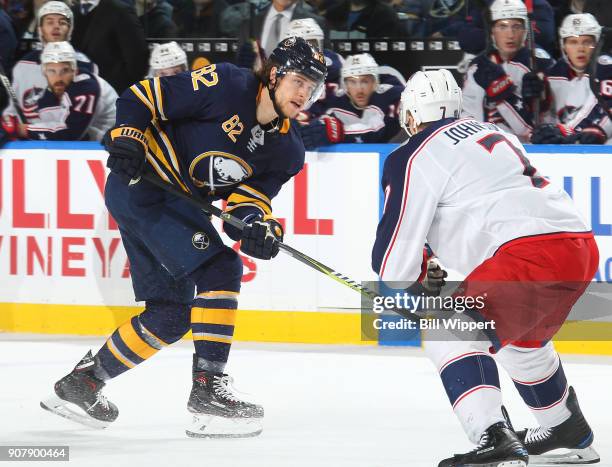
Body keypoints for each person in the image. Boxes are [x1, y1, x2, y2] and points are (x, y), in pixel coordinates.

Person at [40, 37, 327, 438]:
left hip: (171, 204)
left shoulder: (287, 151)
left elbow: (244, 206)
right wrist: (129, 136)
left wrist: (260, 227)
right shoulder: (227, 84)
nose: (304, 94)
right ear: (275, 74)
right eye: (298, 81)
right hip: (142, 185)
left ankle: (83, 383)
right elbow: (143, 95)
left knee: (170, 315)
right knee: (222, 269)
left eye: (312, 88)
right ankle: (209, 390)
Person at [371, 69, 599, 466]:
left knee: (450, 330)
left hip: (527, 257)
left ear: (410, 115)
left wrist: (411, 282)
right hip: (577, 247)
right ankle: (565, 428)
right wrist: (424, 270)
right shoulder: (490, 132)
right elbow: (480, 205)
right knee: (521, 343)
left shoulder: (412, 154)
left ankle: (494, 439)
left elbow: (393, 261)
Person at [461, 0, 554, 143]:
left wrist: (542, 98)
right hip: (485, 148)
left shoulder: (540, 64)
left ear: (525, 30)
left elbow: (547, 121)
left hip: (529, 150)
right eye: (502, 27)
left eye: (516, 26)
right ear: (492, 31)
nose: (510, 34)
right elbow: (468, 117)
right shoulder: (478, 68)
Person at [2, 1, 97, 122]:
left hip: (73, 137)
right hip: (29, 139)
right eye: (50, 22)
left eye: (62, 22)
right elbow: (12, 109)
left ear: (70, 28)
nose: (56, 26)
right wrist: (9, 120)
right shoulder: (23, 65)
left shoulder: (86, 65)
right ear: (40, 29)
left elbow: (89, 115)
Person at [1, 42, 116, 141]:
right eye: (52, 71)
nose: (58, 78)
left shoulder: (86, 88)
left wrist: (22, 129)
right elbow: (50, 128)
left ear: (75, 71)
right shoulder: (47, 95)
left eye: (65, 70)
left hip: (115, 143)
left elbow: (70, 134)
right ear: (44, 73)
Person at [531, 13, 611, 145]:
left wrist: (566, 132)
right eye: (573, 42)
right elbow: (546, 120)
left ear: (597, 44)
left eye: (587, 42)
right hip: (567, 144)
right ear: (563, 46)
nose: (580, 49)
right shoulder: (553, 74)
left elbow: (604, 109)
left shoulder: (606, 68)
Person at [300, 53, 403, 148]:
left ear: (374, 82)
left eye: (365, 81)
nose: (359, 89)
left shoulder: (390, 96)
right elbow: (323, 125)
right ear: (345, 85)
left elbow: (378, 132)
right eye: (352, 82)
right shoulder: (338, 101)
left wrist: (341, 132)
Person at [71, 0, 149, 94]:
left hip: (115, 94)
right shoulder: (71, 12)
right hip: (80, 95)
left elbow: (138, 58)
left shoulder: (120, 11)